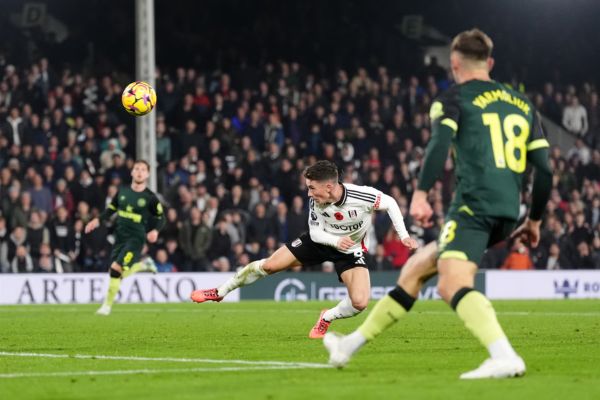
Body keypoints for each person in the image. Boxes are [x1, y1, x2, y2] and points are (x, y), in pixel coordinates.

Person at [323, 28, 552, 379]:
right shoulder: (523, 104)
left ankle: (504, 355)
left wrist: (419, 194)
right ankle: (347, 347)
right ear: (489, 63)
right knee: (417, 269)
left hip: (474, 207)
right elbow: (545, 171)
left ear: (454, 63)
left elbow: (438, 146)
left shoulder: (454, 99)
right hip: (508, 210)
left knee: (450, 284)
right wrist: (534, 221)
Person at [190, 160, 418, 338]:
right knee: (269, 265)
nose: (309, 193)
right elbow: (316, 232)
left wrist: (404, 235)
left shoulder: (361, 195)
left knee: (359, 303)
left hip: (349, 250)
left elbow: (390, 203)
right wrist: (335, 241)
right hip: (319, 242)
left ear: (329, 186)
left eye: (312, 188)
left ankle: (326, 317)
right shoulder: (316, 201)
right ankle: (219, 292)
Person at [85, 160, 165, 315]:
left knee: (116, 268)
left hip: (136, 238)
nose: (140, 172)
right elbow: (111, 209)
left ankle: (106, 307)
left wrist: (155, 230)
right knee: (115, 273)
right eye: (137, 169)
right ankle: (143, 265)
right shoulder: (122, 192)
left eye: (143, 169)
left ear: (147, 174)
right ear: (132, 172)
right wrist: (97, 220)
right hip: (120, 237)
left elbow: (161, 217)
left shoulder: (150, 197)